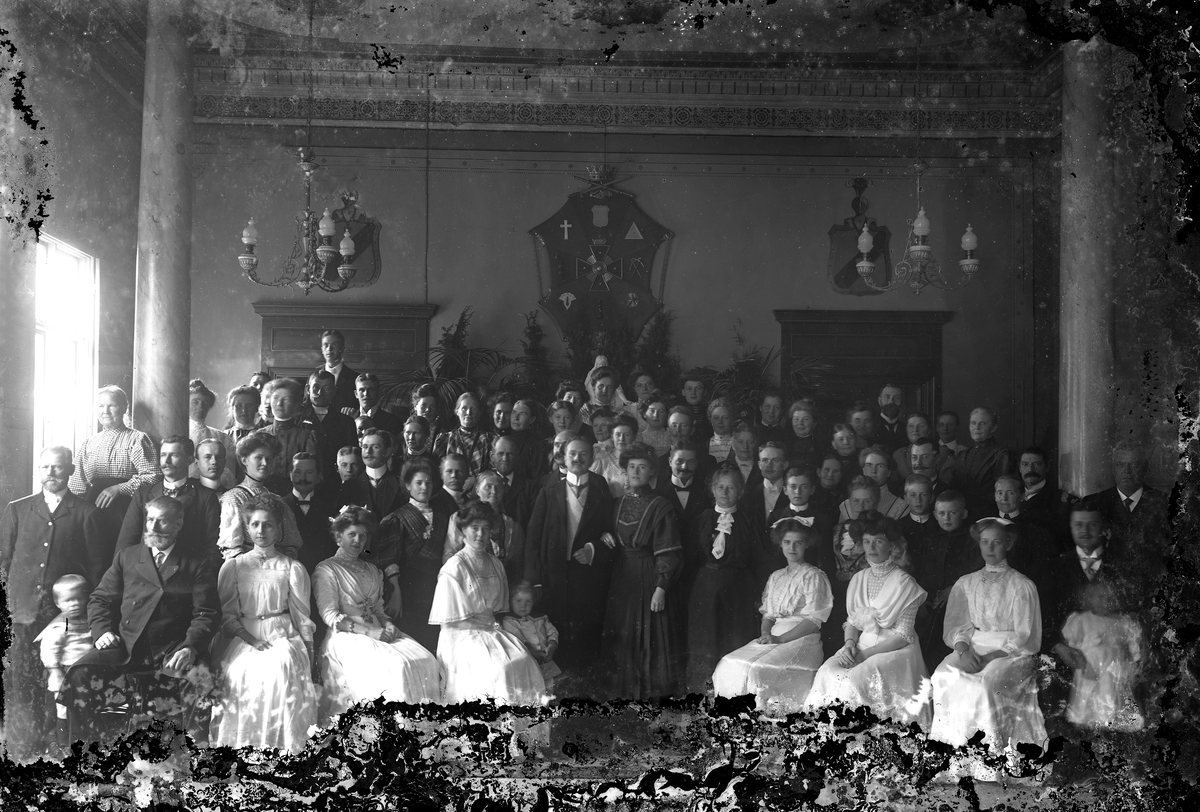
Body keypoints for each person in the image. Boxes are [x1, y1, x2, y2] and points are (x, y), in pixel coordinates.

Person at [66, 497, 219, 744]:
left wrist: (190, 647)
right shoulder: (127, 557)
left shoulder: (197, 563)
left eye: (162, 521)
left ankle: (195, 756)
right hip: (128, 645)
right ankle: (86, 753)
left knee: (201, 678)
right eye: (150, 519)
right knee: (80, 673)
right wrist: (102, 631)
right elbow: (100, 599)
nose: (154, 527)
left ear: (178, 524)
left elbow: (206, 613)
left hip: (172, 647)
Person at [1, 448, 103, 758]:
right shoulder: (18, 509)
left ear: (70, 470)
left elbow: (96, 569)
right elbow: (3, 562)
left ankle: (56, 743)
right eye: (45, 467)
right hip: (21, 611)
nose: (50, 473)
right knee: (20, 679)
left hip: (62, 617)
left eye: (57, 467)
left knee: (57, 681)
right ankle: (21, 747)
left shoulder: (86, 512)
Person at [209, 495, 318, 752]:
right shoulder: (234, 567)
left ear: (278, 529)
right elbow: (228, 617)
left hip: (281, 633)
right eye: (255, 524)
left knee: (281, 669)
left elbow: (302, 617)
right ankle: (243, 748)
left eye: (268, 525)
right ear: (247, 528)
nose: (261, 531)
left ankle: (283, 749)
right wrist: (252, 640)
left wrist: (311, 655)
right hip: (243, 635)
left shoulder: (292, 567)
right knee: (239, 673)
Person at [929, 517, 1047, 754]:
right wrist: (963, 652)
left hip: (1011, 652)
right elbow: (958, 626)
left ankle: (989, 754)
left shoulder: (1021, 585)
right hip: (973, 645)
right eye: (985, 542)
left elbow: (1025, 635)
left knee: (986, 684)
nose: (990, 548)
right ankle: (954, 751)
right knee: (942, 675)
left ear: (1008, 544)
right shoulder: (966, 583)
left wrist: (988, 658)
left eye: (997, 542)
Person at [313, 506, 442, 714]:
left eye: (362, 536)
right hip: (347, 635)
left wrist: (389, 624)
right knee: (396, 667)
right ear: (338, 536)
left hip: (379, 630)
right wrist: (370, 632)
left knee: (426, 660)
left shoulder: (372, 570)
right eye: (352, 534)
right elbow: (331, 616)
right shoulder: (327, 569)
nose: (357, 541)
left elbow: (378, 609)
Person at [806, 514, 930, 727]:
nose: (871, 547)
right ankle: (829, 734)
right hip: (861, 644)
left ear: (892, 546)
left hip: (894, 649)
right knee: (827, 671)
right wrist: (849, 645)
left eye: (878, 541)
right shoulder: (858, 579)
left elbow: (903, 636)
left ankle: (861, 735)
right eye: (866, 541)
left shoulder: (905, 583)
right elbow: (853, 622)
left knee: (854, 680)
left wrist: (864, 655)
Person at [429, 501, 546, 704]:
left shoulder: (495, 564)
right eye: (474, 528)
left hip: (490, 631)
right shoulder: (454, 567)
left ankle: (516, 723)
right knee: (498, 669)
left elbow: (496, 610)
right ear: (463, 530)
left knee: (523, 660)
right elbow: (449, 624)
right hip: (460, 636)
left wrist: (490, 630)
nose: (480, 534)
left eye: (485, 528)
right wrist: (486, 629)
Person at [712, 518, 832, 714]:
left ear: (807, 544)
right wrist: (766, 634)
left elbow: (813, 621)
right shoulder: (776, 576)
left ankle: (762, 719)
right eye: (787, 542)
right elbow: (768, 615)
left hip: (802, 639)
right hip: (774, 636)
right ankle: (735, 719)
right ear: (780, 543)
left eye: (798, 543)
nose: (792, 548)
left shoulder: (814, 576)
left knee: (756, 670)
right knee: (728, 662)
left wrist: (780, 639)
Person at [526, 437, 615, 691]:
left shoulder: (600, 490)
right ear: (563, 458)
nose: (577, 458)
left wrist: (593, 549)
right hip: (554, 578)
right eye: (572, 454)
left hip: (588, 578)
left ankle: (585, 692)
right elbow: (533, 538)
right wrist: (535, 580)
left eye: (583, 454)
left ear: (592, 458)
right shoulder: (549, 492)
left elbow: (610, 534)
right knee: (557, 633)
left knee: (586, 636)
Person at [601, 441, 684, 700]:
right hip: (622, 579)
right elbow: (607, 533)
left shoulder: (661, 506)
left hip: (649, 577)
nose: (636, 472)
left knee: (649, 636)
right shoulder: (616, 503)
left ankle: (649, 697)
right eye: (631, 467)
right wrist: (604, 535)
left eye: (642, 467)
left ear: (652, 472)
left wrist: (661, 588)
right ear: (625, 470)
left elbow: (669, 552)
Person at [683, 465, 760, 694]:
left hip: (739, 590)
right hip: (705, 589)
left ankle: (731, 696)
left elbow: (758, 559)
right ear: (712, 489)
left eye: (731, 488)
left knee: (734, 642)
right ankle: (700, 695)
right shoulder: (700, 520)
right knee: (705, 643)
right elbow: (690, 559)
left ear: (740, 492)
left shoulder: (749, 521)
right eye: (720, 487)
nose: (725, 492)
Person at [67, 385, 158, 565]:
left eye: (112, 405)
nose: (105, 411)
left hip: (125, 510)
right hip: (92, 510)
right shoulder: (88, 443)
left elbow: (153, 476)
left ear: (124, 408)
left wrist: (119, 488)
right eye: (101, 406)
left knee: (120, 557)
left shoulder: (137, 438)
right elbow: (77, 486)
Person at [376, 459, 452, 652]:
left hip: (438, 584)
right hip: (409, 588)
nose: (424, 487)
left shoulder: (444, 514)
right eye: (419, 483)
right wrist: (396, 594)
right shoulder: (397, 518)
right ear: (408, 485)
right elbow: (389, 559)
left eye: (428, 482)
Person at [115, 435, 222, 562]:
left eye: (174, 455)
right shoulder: (143, 494)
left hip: (188, 569)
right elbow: (126, 543)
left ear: (189, 460)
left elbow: (212, 548)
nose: (167, 461)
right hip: (146, 568)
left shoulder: (205, 497)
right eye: (163, 455)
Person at [1060, 578, 1144, 731]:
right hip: (1090, 669)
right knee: (1087, 703)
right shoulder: (1082, 620)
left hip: (1111, 671)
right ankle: (1086, 729)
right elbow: (1070, 645)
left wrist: (1135, 659)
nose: (1106, 601)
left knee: (1110, 700)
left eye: (1109, 598)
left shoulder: (1120, 622)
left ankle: (1108, 728)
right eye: (1100, 597)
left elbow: (1133, 646)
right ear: (1090, 599)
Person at [912, 490, 982, 673]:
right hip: (932, 604)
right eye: (942, 513)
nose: (947, 518)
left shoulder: (972, 541)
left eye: (953, 513)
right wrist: (923, 600)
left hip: (960, 604)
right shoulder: (929, 539)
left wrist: (953, 588)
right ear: (935, 515)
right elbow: (922, 573)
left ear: (963, 514)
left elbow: (976, 571)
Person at [217, 433, 304, 560]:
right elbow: (231, 549)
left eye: (269, 459)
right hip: (247, 568)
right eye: (259, 458)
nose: (265, 463)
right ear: (244, 460)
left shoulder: (278, 500)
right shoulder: (233, 498)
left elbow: (291, 544)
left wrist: (282, 565)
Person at [1094, 440, 1171, 581]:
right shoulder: (1094, 503)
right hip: (1106, 586)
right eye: (1120, 465)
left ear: (1145, 468)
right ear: (1113, 469)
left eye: (1134, 465)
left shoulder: (1165, 503)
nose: (1127, 472)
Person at [36, 574, 95, 748]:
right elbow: (49, 650)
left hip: (86, 674)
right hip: (64, 672)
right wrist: (55, 670)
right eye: (68, 600)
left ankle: (84, 740)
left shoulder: (89, 619)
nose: (74, 604)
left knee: (85, 707)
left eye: (79, 599)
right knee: (64, 709)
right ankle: (63, 743)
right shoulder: (59, 626)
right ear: (58, 603)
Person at [441, 470, 526, 584]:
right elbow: (449, 554)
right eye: (488, 487)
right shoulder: (461, 518)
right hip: (467, 581)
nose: (494, 491)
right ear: (477, 490)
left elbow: (517, 564)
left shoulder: (512, 526)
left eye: (498, 487)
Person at [260, 377, 321, 492]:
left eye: (286, 399)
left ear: (295, 404)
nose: (279, 403)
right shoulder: (260, 435)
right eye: (275, 398)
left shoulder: (307, 436)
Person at [502, 582, 562, 694]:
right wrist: (534, 652)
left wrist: (551, 646)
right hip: (528, 662)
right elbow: (518, 641)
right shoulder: (509, 622)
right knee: (531, 689)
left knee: (549, 686)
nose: (523, 605)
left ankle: (549, 700)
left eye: (528, 601)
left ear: (533, 602)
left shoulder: (541, 618)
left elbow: (552, 632)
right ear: (510, 602)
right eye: (518, 601)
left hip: (545, 659)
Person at [953, 407, 1014, 518]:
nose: (977, 427)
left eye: (982, 423)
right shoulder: (962, 455)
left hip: (988, 514)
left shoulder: (1001, 454)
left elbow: (1001, 490)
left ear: (993, 428)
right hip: (962, 515)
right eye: (973, 423)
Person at [305, 369, 357, 485]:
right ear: (308, 389)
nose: (320, 392)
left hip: (333, 484)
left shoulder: (346, 422)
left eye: (327, 388)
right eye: (316, 387)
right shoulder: (297, 419)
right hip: (304, 482)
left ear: (334, 391)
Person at [341, 429, 406, 517]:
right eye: (365, 447)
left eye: (375, 447)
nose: (368, 451)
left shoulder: (401, 485)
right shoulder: (349, 487)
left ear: (387, 451)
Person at [433, 392, 496, 479]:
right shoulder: (445, 440)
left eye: (473, 409)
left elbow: (493, 470)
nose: (468, 412)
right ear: (457, 411)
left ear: (479, 412)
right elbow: (436, 471)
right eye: (464, 408)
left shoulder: (489, 439)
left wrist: (475, 480)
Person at [188, 379, 237, 489]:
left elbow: (228, 469)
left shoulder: (221, 437)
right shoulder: (181, 432)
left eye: (205, 403)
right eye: (195, 402)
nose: (200, 407)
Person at [655, 440, 713, 530]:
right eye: (679, 461)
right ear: (670, 462)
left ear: (696, 464)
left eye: (690, 462)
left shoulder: (705, 493)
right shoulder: (658, 494)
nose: (684, 467)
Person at [840, 447, 907, 519]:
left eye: (880, 466)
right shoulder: (847, 506)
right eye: (869, 465)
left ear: (888, 472)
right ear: (863, 470)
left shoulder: (901, 506)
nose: (873, 471)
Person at [491, 435, 536, 528]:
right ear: (492, 456)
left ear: (517, 456)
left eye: (510, 454)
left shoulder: (530, 487)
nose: (505, 458)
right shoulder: (483, 484)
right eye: (500, 454)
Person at [745, 441, 789, 528]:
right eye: (765, 460)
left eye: (775, 460)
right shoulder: (749, 494)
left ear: (785, 465)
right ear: (759, 465)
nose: (769, 465)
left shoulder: (793, 493)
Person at [593, 414, 637, 497]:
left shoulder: (640, 461)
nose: (621, 439)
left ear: (634, 437)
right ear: (612, 437)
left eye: (627, 434)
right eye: (618, 435)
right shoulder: (602, 463)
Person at [318, 329, 359, 414]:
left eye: (334, 345)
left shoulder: (354, 378)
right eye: (326, 345)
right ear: (322, 350)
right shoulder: (313, 378)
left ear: (342, 349)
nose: (329, 349)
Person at [508, 398, 547, 480]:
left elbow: (537, 478)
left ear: (532, 419)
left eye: (522, 414)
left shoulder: (536, 445)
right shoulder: (503, 439)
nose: (516, 417)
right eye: (514, 412)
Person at [892, 412, 933, 480]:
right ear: (906, 429)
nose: (915, 429)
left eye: (921, 426)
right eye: (911, 426)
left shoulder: (939, 452)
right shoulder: (898, 455)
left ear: (929, 430)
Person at [224, 385, 262, 453]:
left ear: (256, 408)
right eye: (239, 406)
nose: (244, 410)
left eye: (249, 405)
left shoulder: (263, 435)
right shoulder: (224, 436)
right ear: (232, 408)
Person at [869, 384, 906, 453]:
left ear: (902, 402)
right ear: (879, 401)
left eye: (897, 398)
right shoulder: (871, 426)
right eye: (887, 397)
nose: (891, 401)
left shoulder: (907, 428)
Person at [784, 399, 820, 468]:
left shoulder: (819, 447)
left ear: (814, 423)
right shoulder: (785, 443)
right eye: (796, 419)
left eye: (806, 419)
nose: (800, 423)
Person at [638, 393, 672, 457]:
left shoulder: (673, 436)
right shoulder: (637, 438)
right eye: (652, 411)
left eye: (661, 411)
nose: (656, 415)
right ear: (644, 413)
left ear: (667, 415)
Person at [729, 423, 761, 488]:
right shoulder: (722, 467)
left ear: (756, 444)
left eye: (750, 442)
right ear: (733, 445)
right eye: (740, 442)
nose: (745, 446)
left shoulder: (762, 468)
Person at [707, 397, 736, 461]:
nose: (720, 422)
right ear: (711, 420)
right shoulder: (704, 445)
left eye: (725, 418)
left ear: (732, 420)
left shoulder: (738, 444)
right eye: (716, 418)